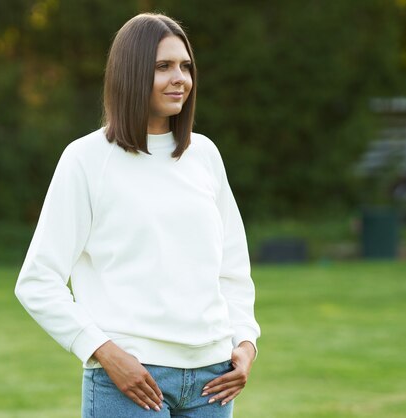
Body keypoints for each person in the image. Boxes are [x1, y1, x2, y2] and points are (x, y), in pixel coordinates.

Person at [15, 12, 260, 418]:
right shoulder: (86, 160)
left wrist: (246, 342)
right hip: (129, 381)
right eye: (163, 66)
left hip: (214, 382)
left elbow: (232, 269)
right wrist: (105, 353)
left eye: (185, 66)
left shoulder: (205, 155)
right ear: (130, 73)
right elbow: (38, 281)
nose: (179, 77)